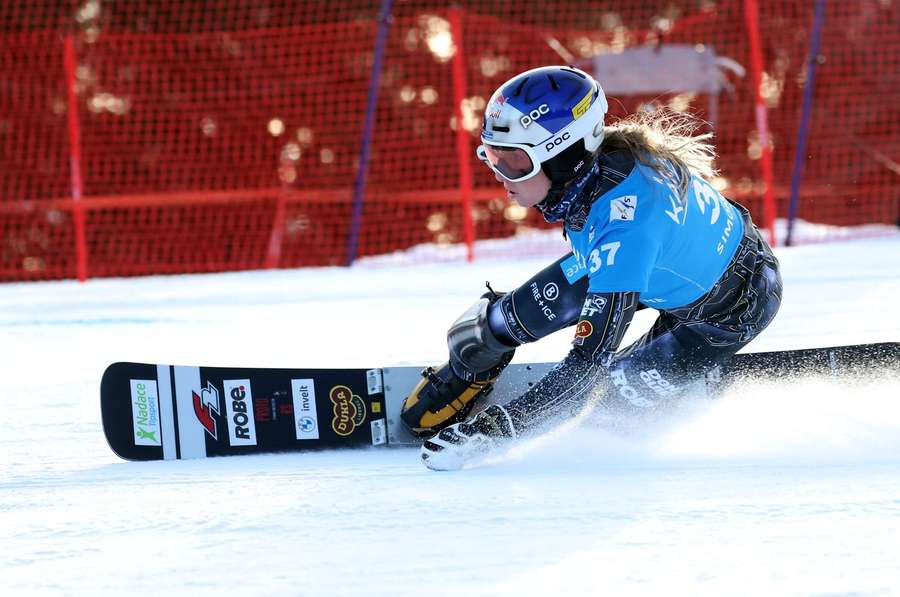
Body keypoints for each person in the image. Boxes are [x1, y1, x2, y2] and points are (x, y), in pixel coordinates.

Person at [400, 65, 782, 471]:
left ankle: (693, 376)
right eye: (492, 156)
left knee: (604, 412)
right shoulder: (598, 169)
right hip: (664, 266)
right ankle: (469, 374)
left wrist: (498, 430)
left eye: (513, 161)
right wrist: (475, 358)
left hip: (728, 309)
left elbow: (587, 366)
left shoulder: (626, 230)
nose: (500, 176)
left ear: (563, 157)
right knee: (488, 327)